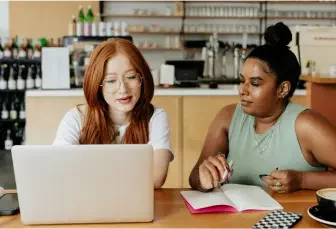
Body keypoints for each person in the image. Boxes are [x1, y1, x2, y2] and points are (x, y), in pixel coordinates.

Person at [189, 22, 336, 194]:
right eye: (242, 80)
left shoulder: (306, 125)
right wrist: (204, 179)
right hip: (235, 220)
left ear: (282, 89)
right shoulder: (227, 117)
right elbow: (194, 178)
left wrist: (302, 180)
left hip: (291, 219)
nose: (242, 90)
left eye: (255, 83)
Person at [53, 38, 173, 189]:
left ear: (142, 78)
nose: (123, 89)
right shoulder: (75, 118)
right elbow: (59, 171)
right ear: (97, 85)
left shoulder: (155, 117)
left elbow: (156, 178)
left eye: (131, 77)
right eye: (111, 80)